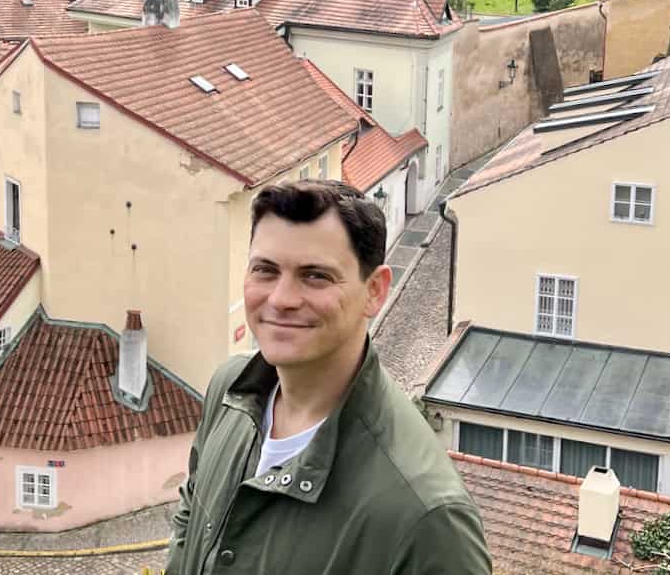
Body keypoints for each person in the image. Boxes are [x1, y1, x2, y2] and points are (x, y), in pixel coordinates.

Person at [167, 180, 491, 574]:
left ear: (375, 291)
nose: (282, 299)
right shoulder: (229, 390)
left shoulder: (428, 516)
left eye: (315, 276)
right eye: (265, 270)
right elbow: (190, 513)